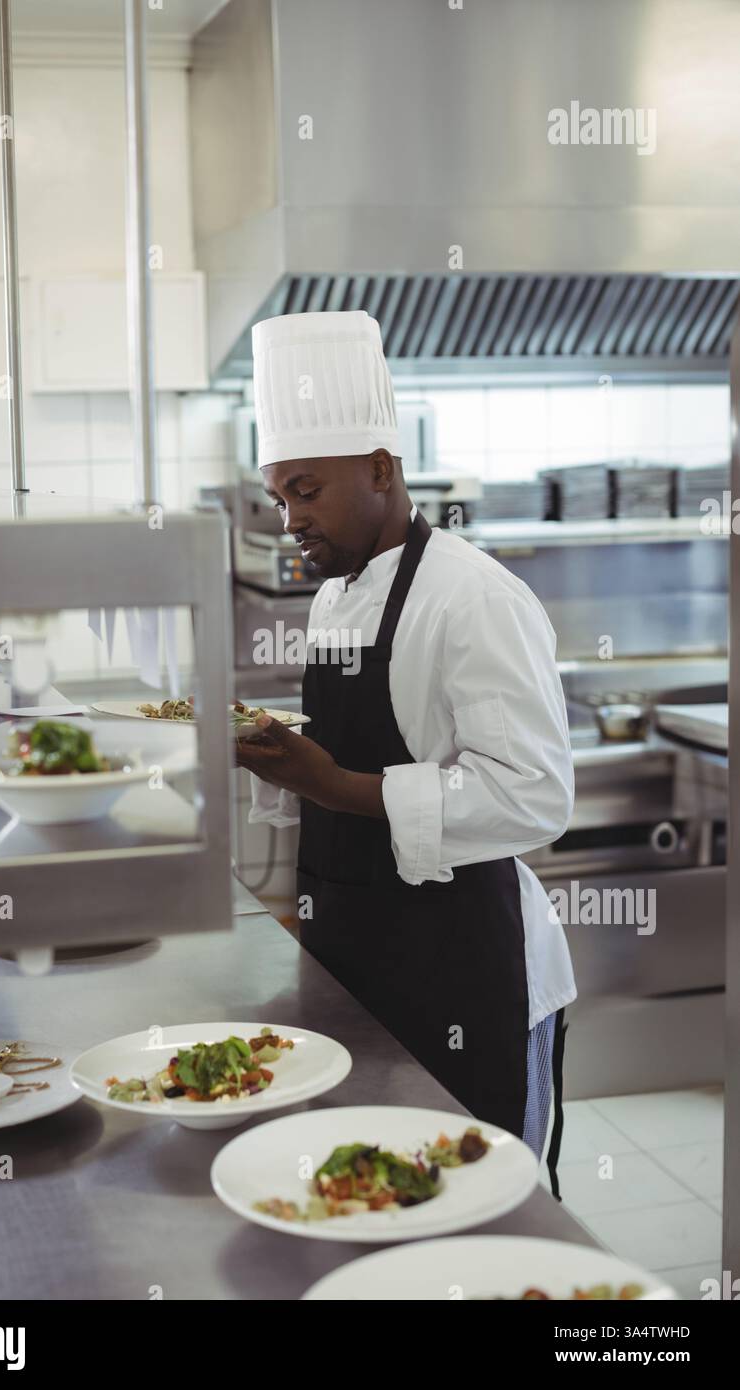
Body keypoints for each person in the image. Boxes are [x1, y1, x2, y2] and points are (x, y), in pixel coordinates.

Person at [238, 309, 576, 1193]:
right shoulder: (335, 597)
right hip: (362, 963)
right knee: (382, 1213)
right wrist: (283, 755)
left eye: (305, 490)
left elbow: (535, 795)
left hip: (469, 972)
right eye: (280, 499)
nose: (290, 520)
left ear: (382, 468)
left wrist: (340, 785)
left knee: (488, 1211)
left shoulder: (473, 598)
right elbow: (358, 746)